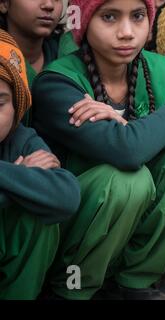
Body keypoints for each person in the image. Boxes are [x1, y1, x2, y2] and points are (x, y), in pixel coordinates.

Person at [32, 0, 165, 300]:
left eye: (138, 16)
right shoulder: (57, 82)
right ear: (84, 22)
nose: (127, 33)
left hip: (124, 223)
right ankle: (73, 289)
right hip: (74, 227)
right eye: (110, 17)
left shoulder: (156, 69)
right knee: (128, 178)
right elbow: (128, 153)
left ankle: (135, 281)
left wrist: (128, 128)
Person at [0, 29, 80, 299]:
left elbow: (66, 197)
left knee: (39, 216)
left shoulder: (21, 139)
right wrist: (20, 177)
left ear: (17, 106)